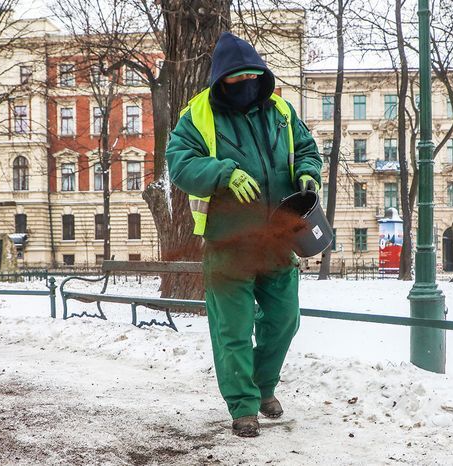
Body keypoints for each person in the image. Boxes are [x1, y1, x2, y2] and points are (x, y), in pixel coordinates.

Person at [166, 32, 322, 437]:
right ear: (222, 80)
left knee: (284, 320)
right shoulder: (197, 115)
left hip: (277, 238)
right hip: (227, 242)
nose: (247, 85)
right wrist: (223, 173)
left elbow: (307, 148)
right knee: (232, 329)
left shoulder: (282, 112)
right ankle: (243, 406)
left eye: (254, 77)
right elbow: (179, 165)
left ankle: (262, 386)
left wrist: (308, 172)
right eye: (237, 80)